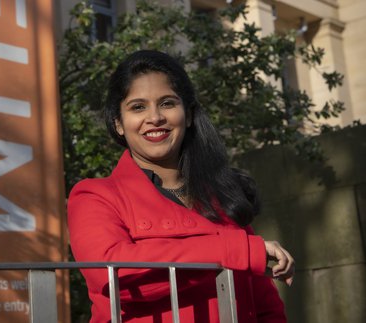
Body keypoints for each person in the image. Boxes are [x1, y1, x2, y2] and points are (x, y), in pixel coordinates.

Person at [67, 50, 295, 323]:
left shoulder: (223, 198)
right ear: (118, 123)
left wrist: (241, 251)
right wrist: (236, 251)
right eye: (138, 107)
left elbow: (266, 307)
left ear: (188, 115)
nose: (155, 117)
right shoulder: (95, 196)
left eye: (167, 103)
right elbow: (112, 275)